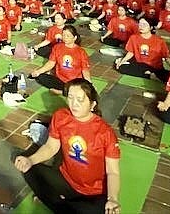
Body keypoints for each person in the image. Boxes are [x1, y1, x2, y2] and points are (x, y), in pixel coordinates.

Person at [14, 78, 121, 214]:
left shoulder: (105, 133)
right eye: (70, 97)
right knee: (27, 167)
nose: (74, 104)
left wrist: (113, 198)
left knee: (102, 210)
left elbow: (113, 172)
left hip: (94, 193)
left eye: (80, 100)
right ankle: (65, 204)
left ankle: (60, 203)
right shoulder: (60, 117)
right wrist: (30, 160)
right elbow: (51, 147)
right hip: (66, 180)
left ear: (92, 104)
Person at [29, 25, 92, 94]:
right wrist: (38, 71)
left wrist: (89, 84)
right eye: (63, 35)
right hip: (60, 80)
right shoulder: (57, 47)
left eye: (68, 36)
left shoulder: (81, 52)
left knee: (81, 88)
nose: (65, 37)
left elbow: (85, 70)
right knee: (40, 77)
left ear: (75, 38)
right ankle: (67, 91)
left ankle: (63, 92)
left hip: (74, 82)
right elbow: (51, 63)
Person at [114, 18, 170, 82]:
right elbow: (131, 52)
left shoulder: (160, 41)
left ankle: (151, 74)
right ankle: (149, 75)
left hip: (154, 67)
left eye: (144, 24)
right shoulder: (134, 38)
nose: (141, 26)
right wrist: (122, 61)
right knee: (121, 67)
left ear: (151, 27)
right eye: (140, 24)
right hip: (140, 64)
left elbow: (166, 57)